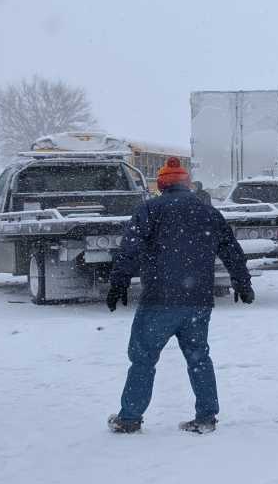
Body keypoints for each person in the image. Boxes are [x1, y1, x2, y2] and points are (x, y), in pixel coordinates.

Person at [105, 157, 254, 435]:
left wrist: (118, 283)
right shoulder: (208, 212)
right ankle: (207, 417)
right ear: (188, 184)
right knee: (199, 358)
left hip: (159, 300)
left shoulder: (149, 210)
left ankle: (130, 418)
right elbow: (231, 250)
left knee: (143, 358)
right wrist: (242, 283)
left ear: (161, 184)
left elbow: (130, 250)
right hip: (198, 301)